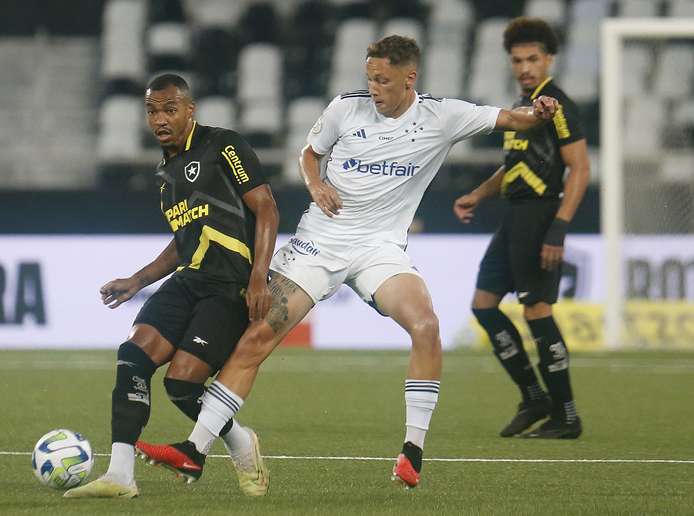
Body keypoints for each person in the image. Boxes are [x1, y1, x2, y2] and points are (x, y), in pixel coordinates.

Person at [136, 35, 559, 489]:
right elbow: (308, 154)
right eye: (370, 78)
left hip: (380, 249)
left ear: (409, 78)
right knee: (256, 338)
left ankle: (412, 452)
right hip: (317, 245)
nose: (374, 88)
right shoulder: (345, 107)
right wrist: (315, 184)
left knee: (426, 326)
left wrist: (541, 113)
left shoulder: (443, 115)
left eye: (383, 80)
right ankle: (194, 451)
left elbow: (514, 119)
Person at [64, 73, 279, 499]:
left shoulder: (224, 145)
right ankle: (120, 475)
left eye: (169, 108)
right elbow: (184, 243)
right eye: (151, 111)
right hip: (188, 281)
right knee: (132, 355)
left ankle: (240, 440)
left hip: (229, 286)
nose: (159, 118)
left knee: (181, 385)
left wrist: (258, 276)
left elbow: (267, 207)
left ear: (189, 109)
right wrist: (138, 280)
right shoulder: (165, 172)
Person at [453, 17, 589, 439]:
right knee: (483, 306)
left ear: (549, 59)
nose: (525, 66)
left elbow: (580, 169)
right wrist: (478, 193)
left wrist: (559, 229)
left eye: (533, 58)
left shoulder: (555, 103)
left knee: (536, 311)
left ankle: (566, 415)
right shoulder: (525, 103)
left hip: (539, 216)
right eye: (518, 60)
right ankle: (533, 397)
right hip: (513, 216)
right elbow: (514, 166)